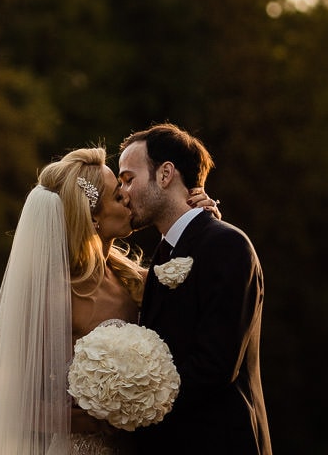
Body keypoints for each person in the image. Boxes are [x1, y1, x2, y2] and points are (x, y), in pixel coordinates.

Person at [0, 146, 220, 455]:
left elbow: (202, 309)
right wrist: (99, 417)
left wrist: (205, 226)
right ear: (92, 217)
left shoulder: (137, 280)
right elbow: (14, 402)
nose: (127, 196)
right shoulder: (57, 293)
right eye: (117, 195)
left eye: (125, 186)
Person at [119, 123, 272, 455]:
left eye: (129, 178)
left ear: (165, 174)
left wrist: (135, 406)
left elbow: (215, 366)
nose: (123, 192)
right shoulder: (165, 254)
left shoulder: (227, 245)